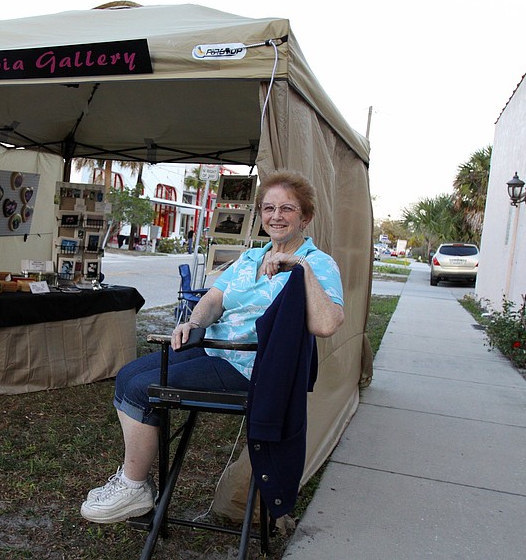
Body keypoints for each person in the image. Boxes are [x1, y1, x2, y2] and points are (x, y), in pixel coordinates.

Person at [80, 169, 345, 524]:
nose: (276, 216)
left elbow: (327, 324)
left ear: (306, 217)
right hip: (213, 347)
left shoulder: (318, 264)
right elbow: (215, 299)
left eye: (287, 209)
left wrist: (300, 269)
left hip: (254, 366)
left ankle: (134, 484)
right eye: (268, 208)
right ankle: (135, 485)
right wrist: (194, 322)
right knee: (127, 376)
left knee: (144, 389)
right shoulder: (251, 258)